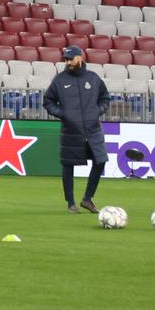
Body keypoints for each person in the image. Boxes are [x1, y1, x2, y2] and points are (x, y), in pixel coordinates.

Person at [44, 45, 109, 214]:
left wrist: (97, 111)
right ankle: (71, 203)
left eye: (70, 59)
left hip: (93, 129)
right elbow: (48, 101)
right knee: (68, 166)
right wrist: (63, 114)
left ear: (80, 58)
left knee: (100, 161)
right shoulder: (60, 80)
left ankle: (87, 199)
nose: (68, 62)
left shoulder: (93, 79)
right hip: (70, 130)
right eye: (65, 60)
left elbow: (105, 98)